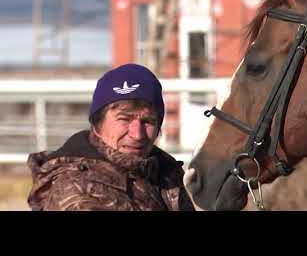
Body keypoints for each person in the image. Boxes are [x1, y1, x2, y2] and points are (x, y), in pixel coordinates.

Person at [27, 63, 195, 211]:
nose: (137, 134)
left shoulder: (164, 172)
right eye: (124, 119)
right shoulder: (78, 191)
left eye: (148, 121)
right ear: (97, 124)